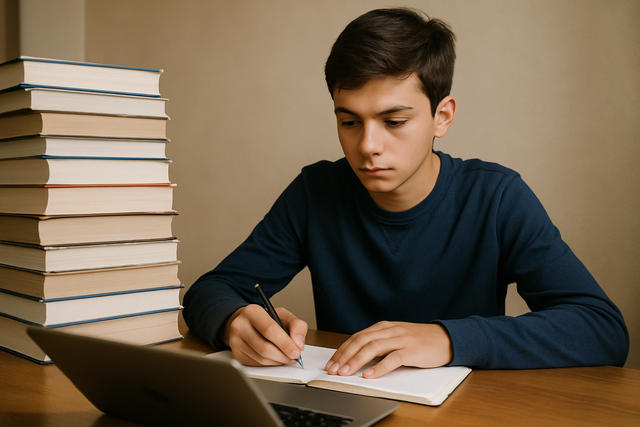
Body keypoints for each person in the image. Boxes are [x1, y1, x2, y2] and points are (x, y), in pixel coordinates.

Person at [183, 7, 629, 378]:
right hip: (346, 404)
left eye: (394, 122)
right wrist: (234, 321)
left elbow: (602, 329)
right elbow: (212, 289)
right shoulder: (315, 192)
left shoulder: (496, 196)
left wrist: (448, 338)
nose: (367, 146)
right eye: (349, 121)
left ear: (442, 116)